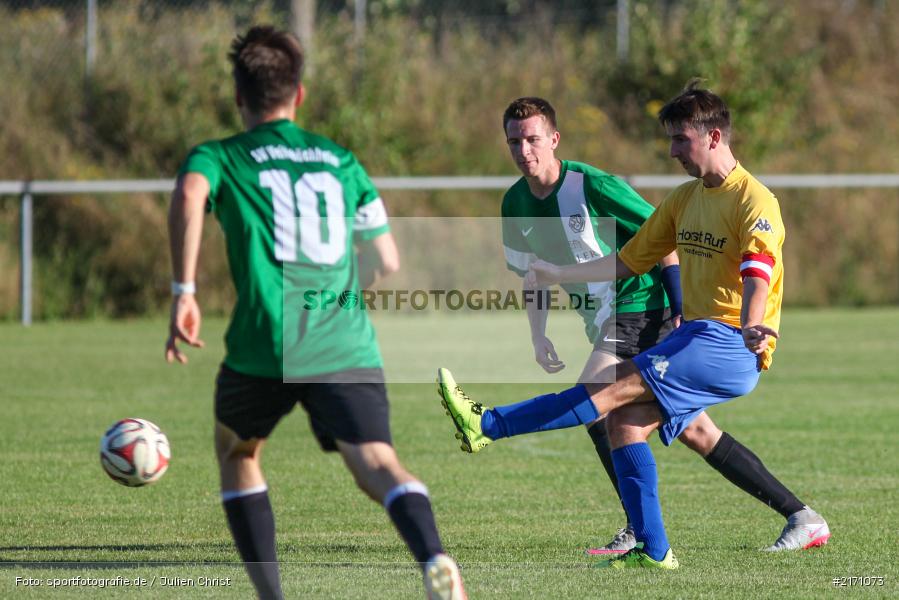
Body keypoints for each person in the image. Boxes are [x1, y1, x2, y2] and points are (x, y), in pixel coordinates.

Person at [439, 83, 829, 569]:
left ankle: (486, 424)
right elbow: (626, 260)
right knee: (627, 425)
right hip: (693, 339)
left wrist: (750, 325)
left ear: (712, 137)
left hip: (729, 342)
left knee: (604, 393)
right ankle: (660, 548)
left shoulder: (755, 200)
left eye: (680, 140)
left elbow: (758, 272)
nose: (671, 152)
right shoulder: (684, 200)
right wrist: (559, 275)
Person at [166, 25, 466, 599]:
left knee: (238, 451)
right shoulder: (341, 161)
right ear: (298, 94)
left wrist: (184, 289)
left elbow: (188, 196)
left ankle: (272, 595)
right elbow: (387, 259)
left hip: (265, 342)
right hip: (342, 340)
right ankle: (434, 556)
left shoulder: (221, 155)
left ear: (238, 96)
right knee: (379, 463)